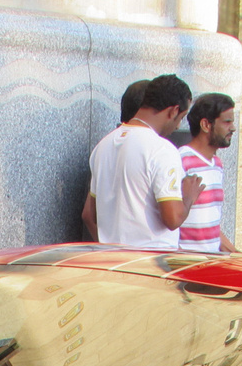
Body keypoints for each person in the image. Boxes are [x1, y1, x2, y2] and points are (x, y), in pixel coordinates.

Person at [82, 74, 202, 251]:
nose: (177, 127)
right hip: (150, 265)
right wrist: (189, 197)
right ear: (174, 111)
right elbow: (173, 219)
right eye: (181, 118)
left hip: (112, 263)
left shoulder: (103, 145)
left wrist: (109, 248)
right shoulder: (162, 150)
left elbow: (88, 215)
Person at [178, 92, 237, 253]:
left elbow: (211, 225)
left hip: (210, 265)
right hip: (184, 266)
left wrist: (239, 256)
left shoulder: (217, 164)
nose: (233, 128)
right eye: (227, 122)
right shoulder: (180, 159)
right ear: (206, 125)